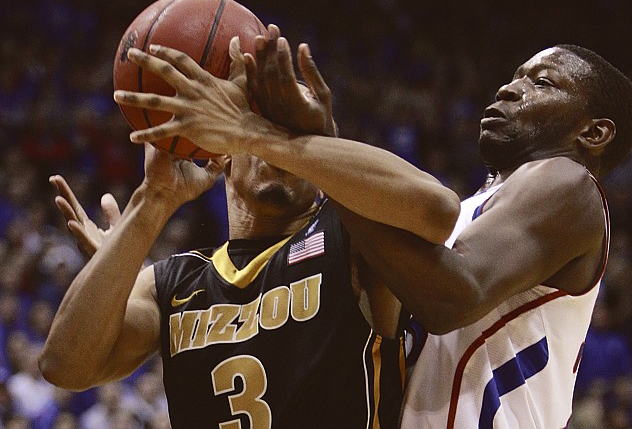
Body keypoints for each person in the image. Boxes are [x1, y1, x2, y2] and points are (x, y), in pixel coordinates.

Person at [111, 25, 632, 428]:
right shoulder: (479, 209)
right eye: (514, 76)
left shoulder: (568, 185)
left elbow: (452, 296)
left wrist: (268, 139)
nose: (509, 88)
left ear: (593, 132)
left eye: (541, 82)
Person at [38, 28, 460, 429]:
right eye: (261, 123)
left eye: (295, 131)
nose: (276, 143)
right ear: (219, 153)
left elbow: (437, 209)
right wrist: (151, 204)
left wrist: (261, 135)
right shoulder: (175, 283)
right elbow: (65, 366)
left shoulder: (351, 234)